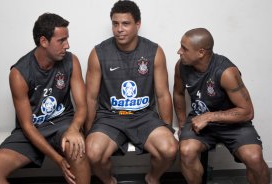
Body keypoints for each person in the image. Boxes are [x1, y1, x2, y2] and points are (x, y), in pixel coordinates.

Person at [0, 13, 90, 184]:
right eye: (61, 40)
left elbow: (82, 107)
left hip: (62, 124)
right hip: (32, 130)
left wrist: (74, 129)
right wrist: (58, 160)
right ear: (44, 41)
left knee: (76, 149)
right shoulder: (19, 73)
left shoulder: (71, 61)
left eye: (67, 39)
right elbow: (27, 126)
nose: (67, 45)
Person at [85, 1, 178, 184]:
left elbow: (162, 95)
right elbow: (91, 97)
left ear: (138, 24)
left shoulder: (154, 51)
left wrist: (167, 128)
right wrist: (88, 132)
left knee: (169, 149)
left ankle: (152, 178)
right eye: (115, 23)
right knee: (93, 153)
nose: (119, 29)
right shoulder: (98, 53)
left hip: (144, 117)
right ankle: (108, 180)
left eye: (125, 23)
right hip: (110, 118)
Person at [173, 28, 270, 184]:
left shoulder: (226, 72)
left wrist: (210, 116)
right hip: (199, 121)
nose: (179, 51)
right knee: (186, 151)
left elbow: (247, 112)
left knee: (254, 158)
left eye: (184, 48)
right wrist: (183, 122)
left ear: (201, 52)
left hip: (233, 123)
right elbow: (178, 93)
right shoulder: (181, 66)